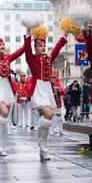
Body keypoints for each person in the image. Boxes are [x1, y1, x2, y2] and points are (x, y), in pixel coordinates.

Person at [24, 28, 68, 160]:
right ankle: (42, 142)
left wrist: (65, 34)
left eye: (44, 46)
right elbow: (26, 49)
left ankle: (43, 146)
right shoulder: (32, 59)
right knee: (48, 115)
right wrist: (28, 32)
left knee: (48, 119)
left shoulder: (48, 59)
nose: (43, 48)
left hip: (47, 90)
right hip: (37, 89)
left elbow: (57, 48)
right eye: (40, 46)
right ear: (35, 47)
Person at [49, 70, 65, 136]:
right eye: (52, 77)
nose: (54, 79)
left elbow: (62, 92)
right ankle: (51, 130)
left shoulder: (58, 84)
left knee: (59, 116)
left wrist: (58, 92)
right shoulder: (48, 84)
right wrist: (52, 93)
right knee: (51, 116)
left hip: (58, 102)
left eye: (55, 77)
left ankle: (61, 130)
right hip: (51, 102)